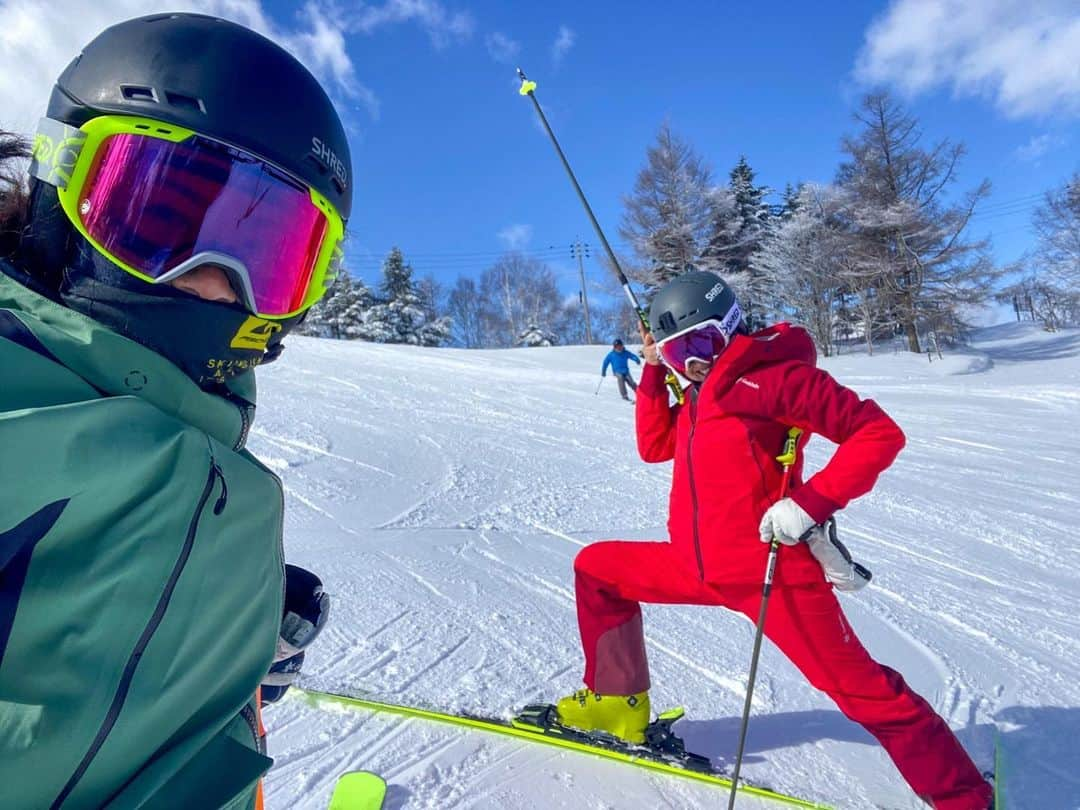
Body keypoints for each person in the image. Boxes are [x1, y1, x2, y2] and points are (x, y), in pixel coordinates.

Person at [0, 13, 346, 809]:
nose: (216, 280)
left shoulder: (220, 463)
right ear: (63, 178)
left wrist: (225, 633)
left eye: (269, 253)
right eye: (160, 218)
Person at [554, 271, 993, 809]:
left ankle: (966, 798)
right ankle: (616, 704)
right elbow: (653, 445)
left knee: (870, 697)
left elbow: (878, 433)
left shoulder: (774, 379)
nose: (690, 363)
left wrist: (808, 504)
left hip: (773, 577)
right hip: (696, 566)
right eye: (675, 354)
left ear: (731, 328)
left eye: (700, 345)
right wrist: (651, 374)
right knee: (598, 570)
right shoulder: (697, 393)